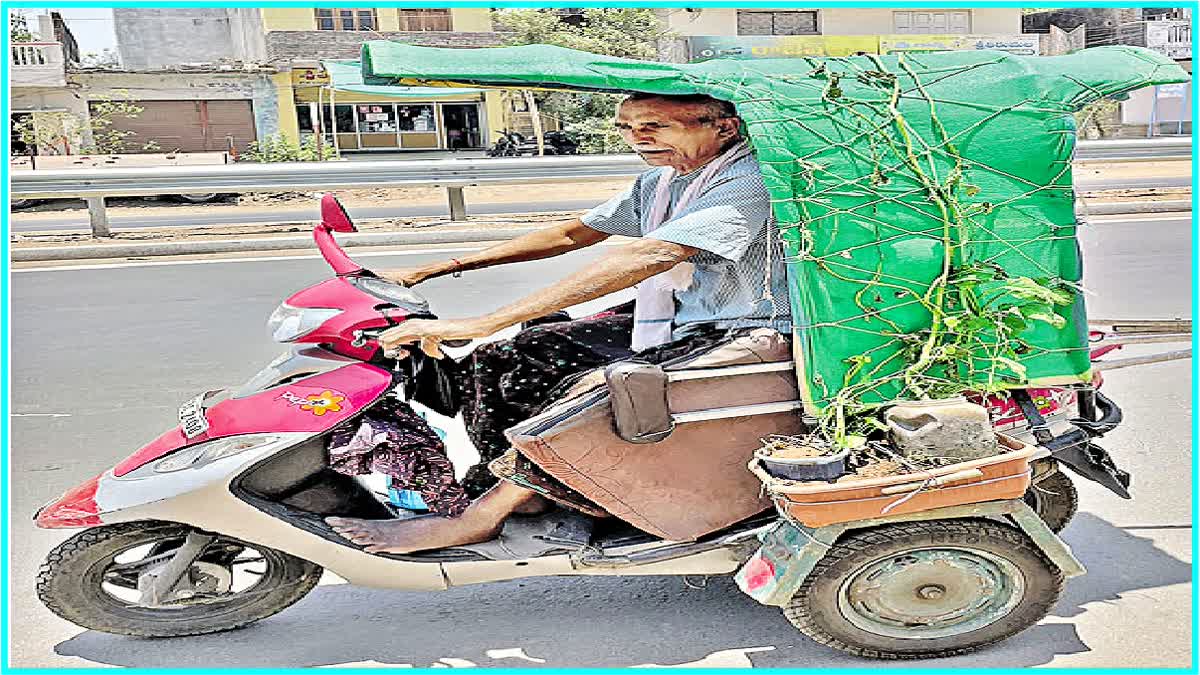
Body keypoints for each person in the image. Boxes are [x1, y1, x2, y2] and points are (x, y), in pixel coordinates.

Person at [327, 92, 791, 553]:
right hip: (683, 312)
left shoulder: (746, 182)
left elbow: (656, 253)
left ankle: (481, 517)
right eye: (627, 127)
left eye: (656, 125)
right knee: (510, 355)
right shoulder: (664, 182)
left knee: (586, 396)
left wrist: (486, 319)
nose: (639, 138)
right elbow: (575, 232)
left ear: (724, 128)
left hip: (745, 325)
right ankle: (522, 492)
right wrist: (442, 267)